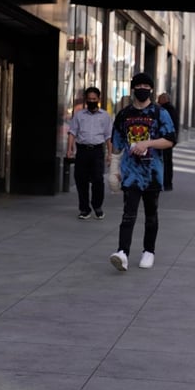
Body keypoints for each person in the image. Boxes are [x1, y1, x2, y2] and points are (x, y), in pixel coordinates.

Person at [108, 72, 176, 271]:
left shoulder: (159, 113)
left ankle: (149, 251)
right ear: (133, 88)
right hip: (130, 173)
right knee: (128, 214)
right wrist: (114, 170)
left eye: (147, 86)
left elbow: (170, 140)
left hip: (153, 172)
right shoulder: (124, 114)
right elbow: (117, 145)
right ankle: (122, 253)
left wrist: (147, 142)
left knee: (151, 214)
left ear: (151, 89)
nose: (143, 89)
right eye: (140, 86)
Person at [67, 87, 113, 219]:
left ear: (98, 99)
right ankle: (84, 209)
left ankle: (97, 206)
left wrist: (110, 154)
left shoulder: (105, 116)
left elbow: (108, 136)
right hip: (82, 151)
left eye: (94, 99)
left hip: (97, 151)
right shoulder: (79, 115)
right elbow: (72, 132)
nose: (91, 101)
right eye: (89, 99)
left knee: (98, 180)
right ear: (86, 100)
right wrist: (69, 149)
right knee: (81, 180)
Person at [157, 92, 180, 191]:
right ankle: (167, 183)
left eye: (159, 99)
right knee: (168, 161)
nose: (158, 101)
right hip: (169, 139)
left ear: (164, 100)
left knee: (163, 161)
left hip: (163, 139)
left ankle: (163, 182)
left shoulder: (163, 110)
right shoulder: (172, 110)